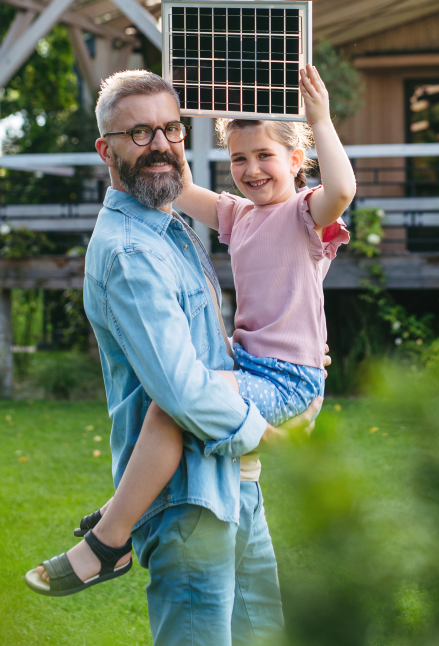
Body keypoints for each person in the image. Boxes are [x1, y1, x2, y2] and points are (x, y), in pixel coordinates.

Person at [25, 70, 323, 646]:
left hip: (232, 481)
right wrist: (274, 436)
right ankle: (107, 543)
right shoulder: (132, 252)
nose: (160, 144)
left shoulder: (168, 226)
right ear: (105, 149)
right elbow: (182, 391)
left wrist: (301, 352)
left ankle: (108, 538)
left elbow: (212, 349)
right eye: (139, 133)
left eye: (171, 129)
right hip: (189, 500)